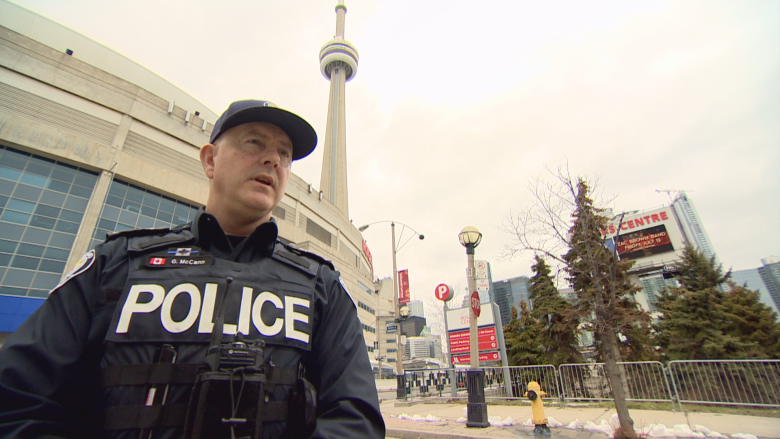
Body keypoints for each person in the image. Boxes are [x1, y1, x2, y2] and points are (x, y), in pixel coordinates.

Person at [0, 100, 385, 439]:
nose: (273, 160)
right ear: (210, 160)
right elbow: (16, 400)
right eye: (255, 143)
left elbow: (356, 420)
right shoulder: (117, 264)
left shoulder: (322, 287)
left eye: (284, 154)